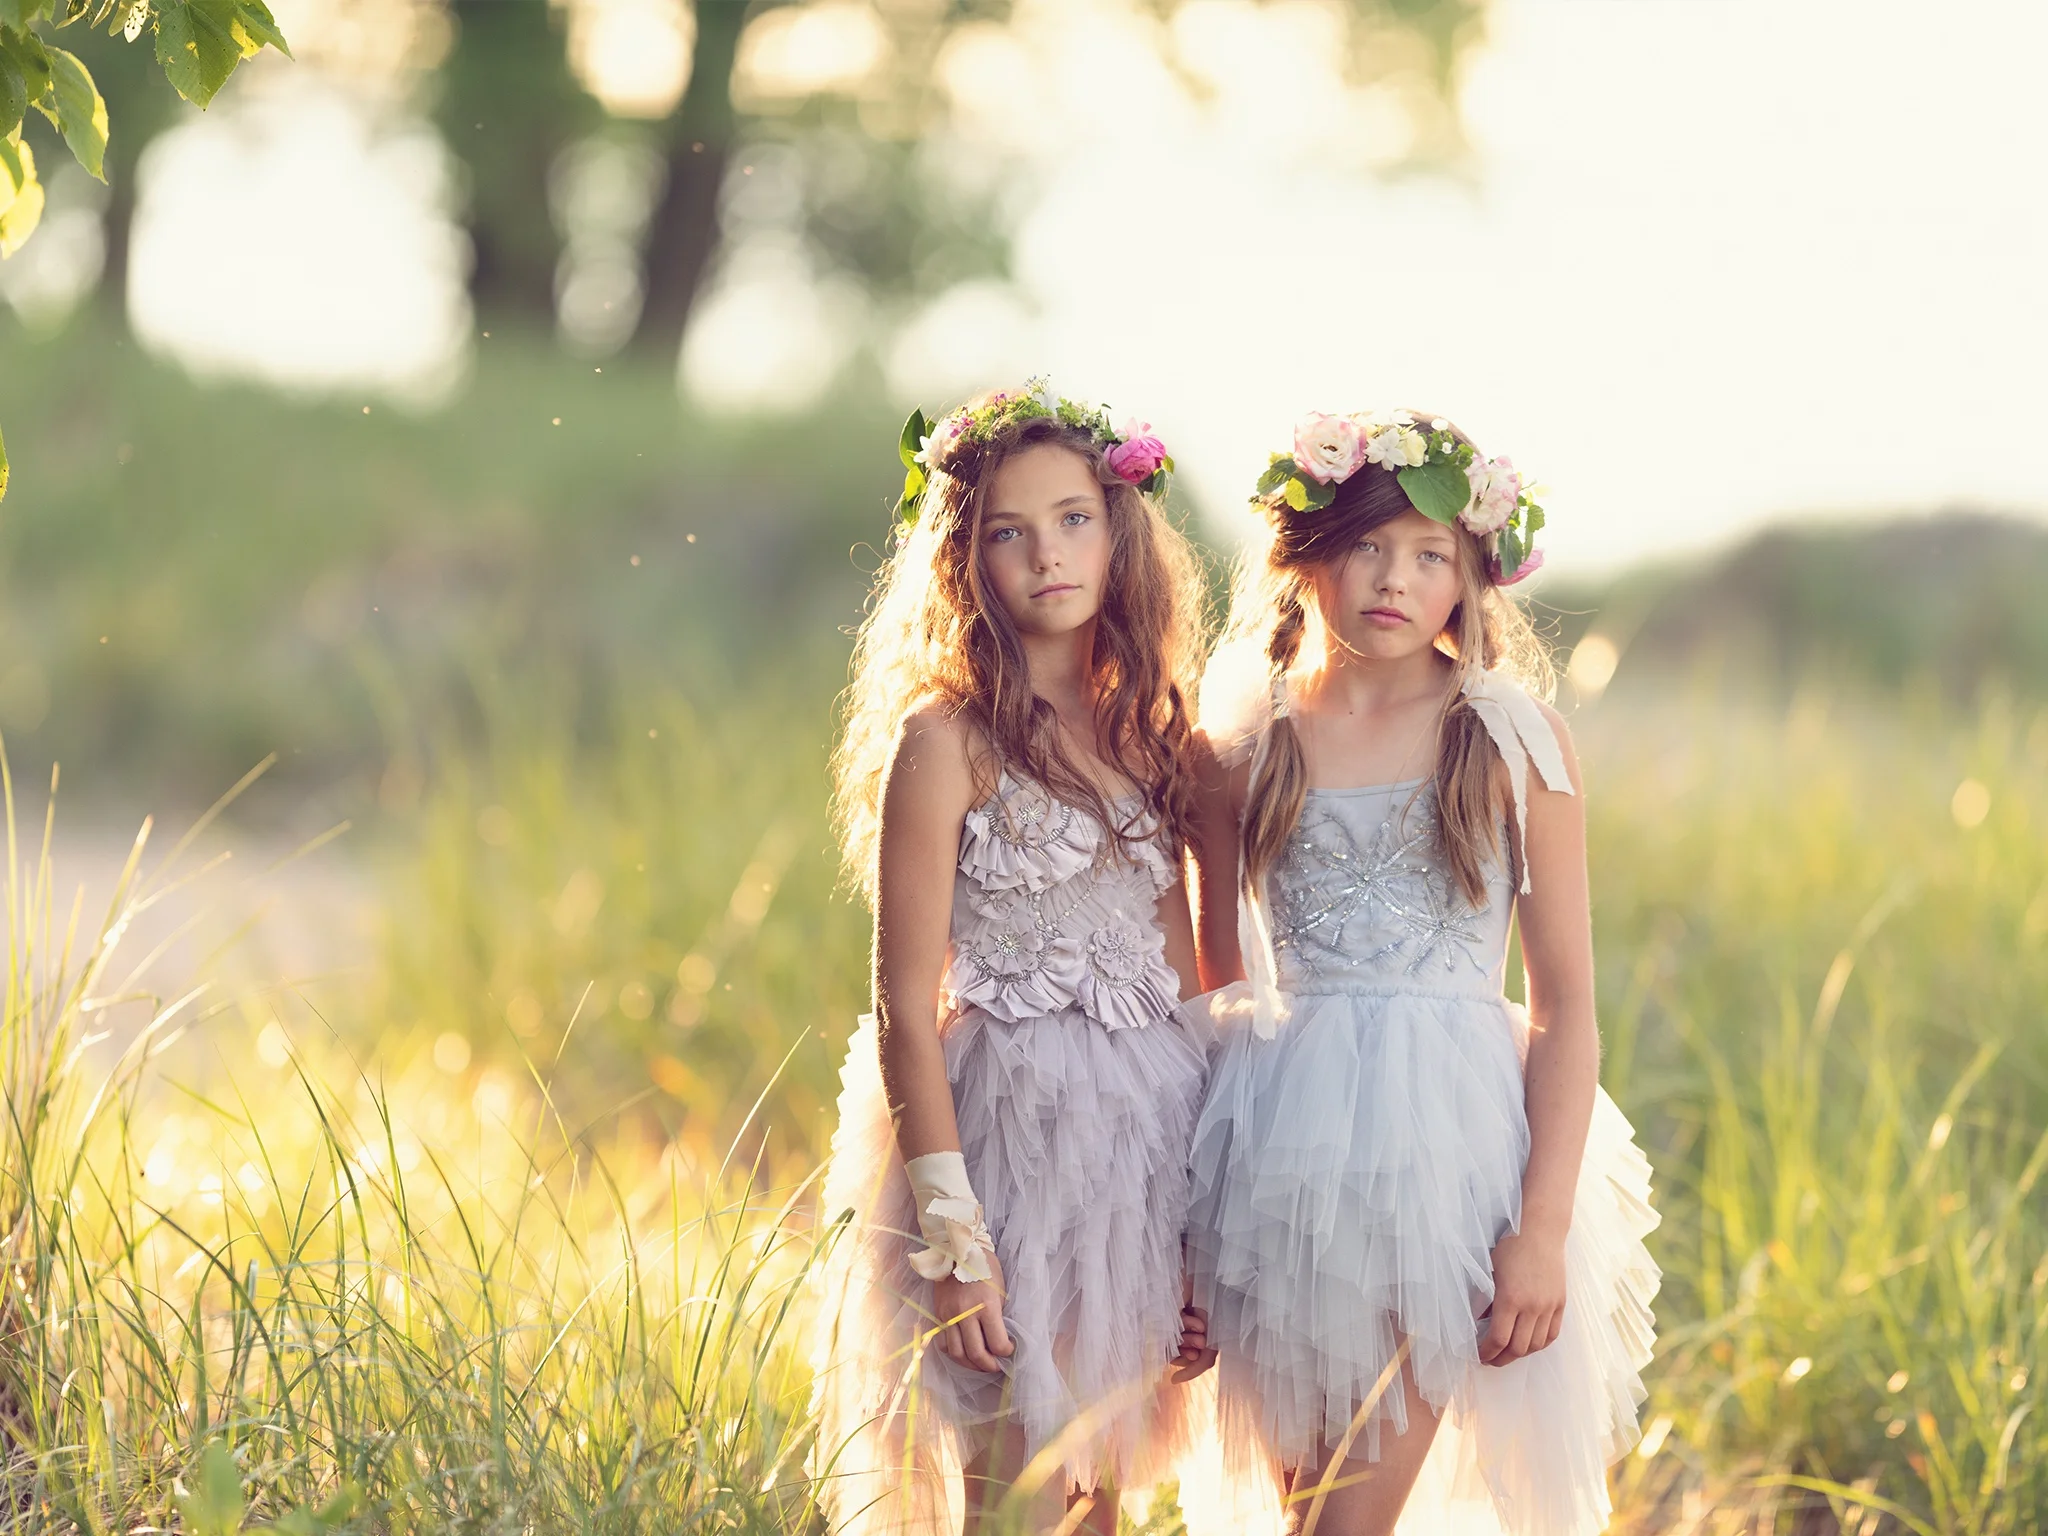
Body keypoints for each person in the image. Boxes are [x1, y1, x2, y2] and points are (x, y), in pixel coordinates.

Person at [1181, 411, 1661, 1536]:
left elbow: (1566, 1010)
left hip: (1446, 1158)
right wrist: (1186, 1234)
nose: (1393, 579)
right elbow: (1211, 989)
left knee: (1344, 1521)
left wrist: (1537, 1228)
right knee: (1307, 1509)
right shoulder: (1245, 742)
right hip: (1275, 1164)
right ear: (1304, 555)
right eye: (1365, 547)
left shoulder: (1507, 737)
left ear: (1470, 577)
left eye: (1429, 555)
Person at [811, 382, 1216, 1535]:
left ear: (1117, 529)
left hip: (1140, 1161)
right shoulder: (945, 743)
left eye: (1073, 518)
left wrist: (1195, 1244)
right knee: (1017, 1499)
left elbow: (1184, 991)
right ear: (966, 560)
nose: (1047, 554)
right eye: (1008, 531)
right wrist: (954, 1236)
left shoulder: (1149, 738)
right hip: (1002, 1155)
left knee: (1101, 1503)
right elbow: (901, 1007)